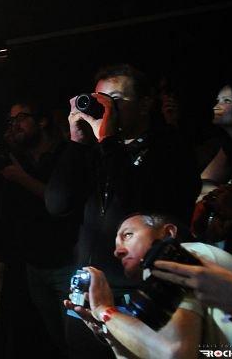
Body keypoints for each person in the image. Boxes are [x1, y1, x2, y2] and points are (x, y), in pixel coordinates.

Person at [45, 64, 201, 358]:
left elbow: (136, 203)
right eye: (100, 100)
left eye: (115, 101)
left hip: (139, 297)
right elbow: (57, 204)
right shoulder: (95, 152)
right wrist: (77, 143)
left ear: (145, 104)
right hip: (85, 294)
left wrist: (108, 142)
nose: (106, 110)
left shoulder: (170, 149)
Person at [65, 213, 232, 357]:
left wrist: (104, 310)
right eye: (116, 243)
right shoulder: (159, 288)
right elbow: (154, 351)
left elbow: (173, 352)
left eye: (128, 235)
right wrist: (111, 333)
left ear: (168, 233)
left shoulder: (184, 255)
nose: (117, 251)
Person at [0, 100, 77, 357]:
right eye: (11, 121)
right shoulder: (15, 160)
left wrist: (20, 177)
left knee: (79, 340)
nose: (15, 125)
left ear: (41, 121)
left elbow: (61, 203)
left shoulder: (65, 155)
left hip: (66, 265)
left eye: (21, 118)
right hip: (34, 267)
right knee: (58, 340)